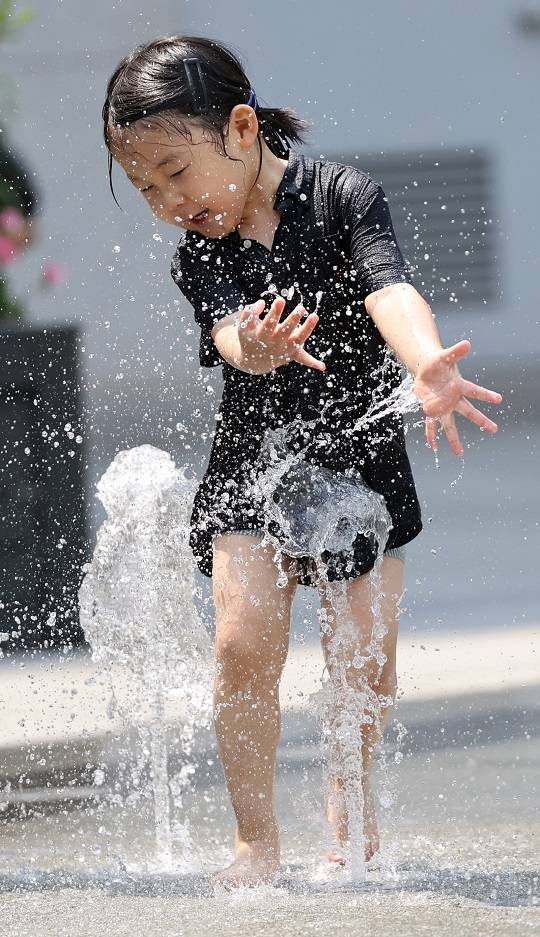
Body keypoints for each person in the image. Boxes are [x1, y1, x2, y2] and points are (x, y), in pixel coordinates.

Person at [102, 35, 503, 888]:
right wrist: (249, 340)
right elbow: (226, 337)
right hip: (255, 464)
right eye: (145, 189)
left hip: (362, 455)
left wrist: (427, 360)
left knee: (364, 659)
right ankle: (255, 841)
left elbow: (388, 288)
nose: (168, 201)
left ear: (242, 129)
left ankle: (349, 826)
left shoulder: (345, 196)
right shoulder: (202, 251)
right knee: (242, 648)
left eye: (176, 173)